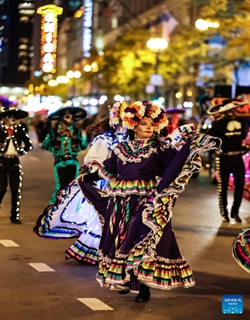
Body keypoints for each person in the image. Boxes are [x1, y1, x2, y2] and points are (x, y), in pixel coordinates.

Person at [78, 100, 221, 302]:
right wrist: (87, 177)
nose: (148, 127)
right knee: (122, 241)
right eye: (144, 123)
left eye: (151, 124)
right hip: (122, 203)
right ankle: (126, 278)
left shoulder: (161, 149)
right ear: (133, 124)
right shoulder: (121, 148)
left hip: (148, 203)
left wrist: (188, 145)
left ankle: (144, 287)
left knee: (143, 241)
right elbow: (109, 169)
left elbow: (175, 165)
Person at [34, 102, 127, 264]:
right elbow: (92, 160)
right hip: (101, 182)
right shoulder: (104, 140)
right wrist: (58, 147)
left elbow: (82, 145)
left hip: (126, 185)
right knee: (100, 217)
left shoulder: (133, 140)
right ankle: (97, 251)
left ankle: (119, 252)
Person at [206, 99, 248, 223]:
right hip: (223, 157)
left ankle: (235, 212)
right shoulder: (218, 124)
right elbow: (207, 137)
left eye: (234, 109)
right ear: (225, 112)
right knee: (222, 186)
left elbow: (244, 137)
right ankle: (224, 212)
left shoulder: (242, 121)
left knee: (240, 185)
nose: (232, 112)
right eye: (229, 110)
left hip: (237, 157)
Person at [42, 106, 88, 203]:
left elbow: (84, 145)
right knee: (61, 184)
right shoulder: (54, 132)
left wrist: (75, 145)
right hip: (60, 162)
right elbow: (45, 144)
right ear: (62, 117)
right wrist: (56, 150)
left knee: (72, 185)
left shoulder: (77, 131)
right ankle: (58, 205)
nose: (69, 119)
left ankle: (71, 204)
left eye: (71, 117)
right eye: (67, 116)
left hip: (73, 161)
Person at [0, 105, 33, 224]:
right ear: (3, 118)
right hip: (1, 162)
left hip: (14, 162)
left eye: (14, 117)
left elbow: (29, 145)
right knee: (1, 189)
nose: (12, 119)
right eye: (9, 116)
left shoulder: (19, 129)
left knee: (15, 190)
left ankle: (14, 216)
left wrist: (21, 152)